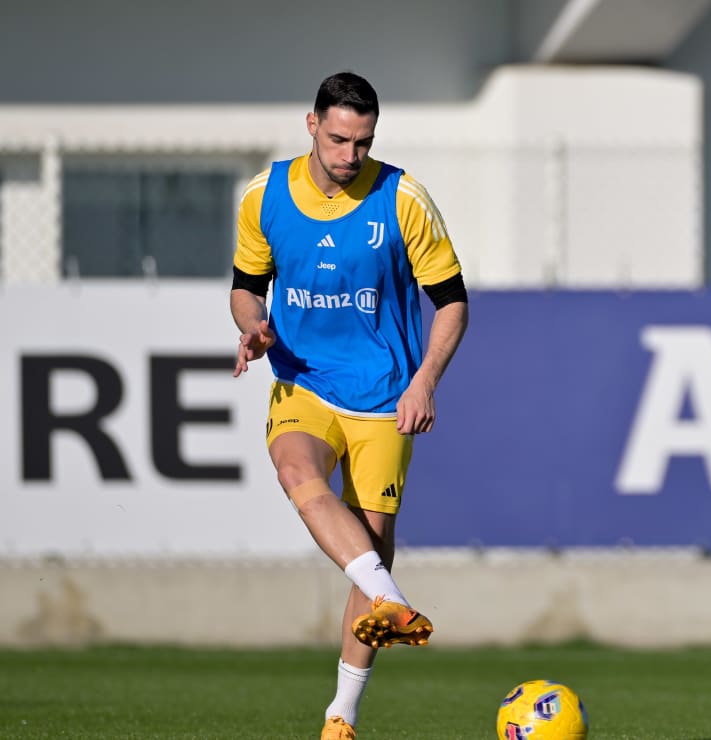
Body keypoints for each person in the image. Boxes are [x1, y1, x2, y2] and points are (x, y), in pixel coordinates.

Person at [229, 71, 469, 740]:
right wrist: (251, 326)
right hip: (303, 381)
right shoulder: (265, 195)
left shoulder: (403, 198)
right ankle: (392, 601)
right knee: (295, 472)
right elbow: (246, 288)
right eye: (338, 139)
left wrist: (425, 380)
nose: (349, 156)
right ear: (311, 125)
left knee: (370, 546)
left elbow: (452, 302)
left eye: (363, 142)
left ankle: (342, 716)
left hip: (384, 396)